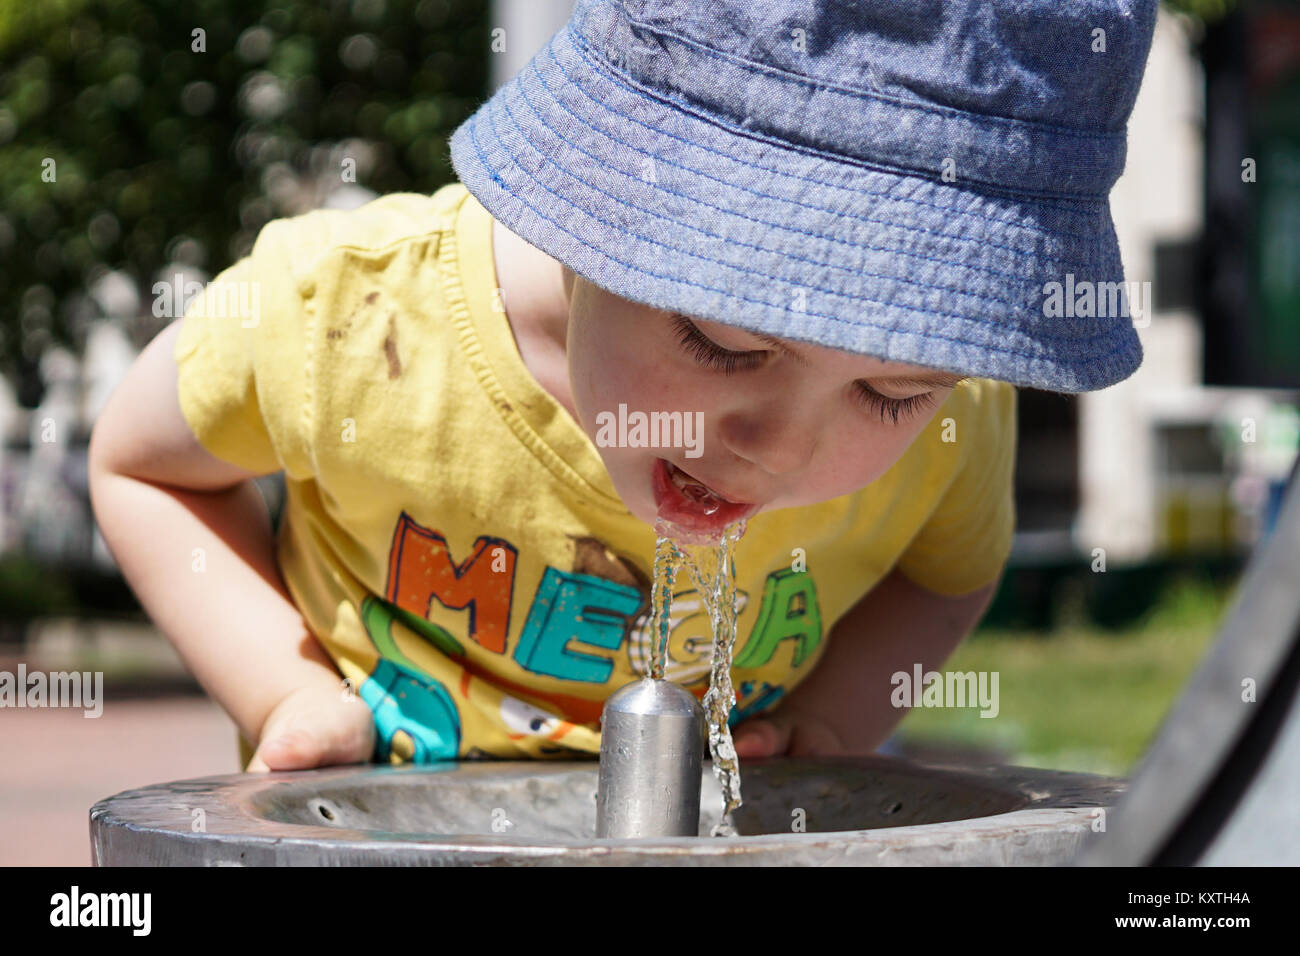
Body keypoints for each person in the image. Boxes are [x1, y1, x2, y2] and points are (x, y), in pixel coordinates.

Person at [88, 0, 1159, 771]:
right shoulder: (345, 317)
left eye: (889, 392)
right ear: (587, 198)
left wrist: (831, 728)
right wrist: (286, 692)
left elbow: (945, 575)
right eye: (723, 342)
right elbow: (142, 467)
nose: (777, 445)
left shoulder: (953, 421)